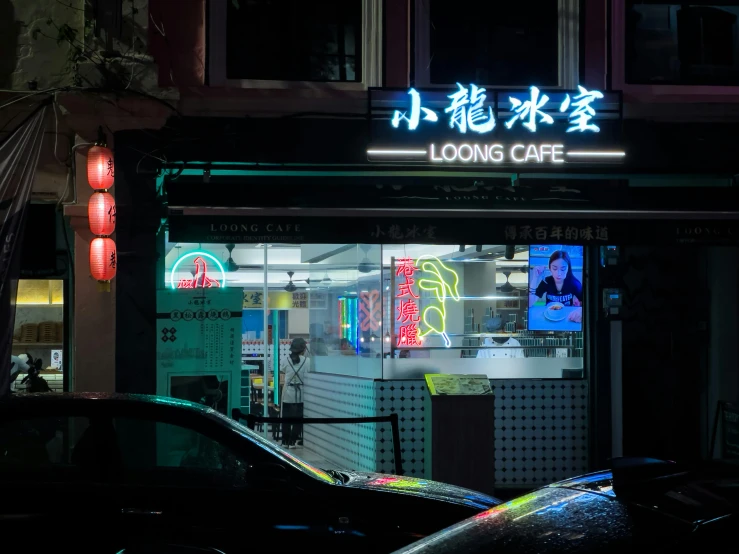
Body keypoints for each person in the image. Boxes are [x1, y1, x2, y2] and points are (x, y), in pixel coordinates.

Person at [529, 250, 583, 323]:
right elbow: (529, 303)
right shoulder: (546, 282)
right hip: (549, 318)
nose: (559, 273)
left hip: (567, 318)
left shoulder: (574, 283)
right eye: (554, 268)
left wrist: (580, 310)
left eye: (563, 269)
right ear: (550, 268)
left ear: (568, 268)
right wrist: (535, 277)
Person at [280, 338, 310, 448]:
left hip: (288, 392)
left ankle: (285, 441)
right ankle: (293, 441)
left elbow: (283, 370)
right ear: (303, 349)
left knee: (286, 417)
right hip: (301, 393)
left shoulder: (285, 360)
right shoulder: (307, 361)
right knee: (298, 418)